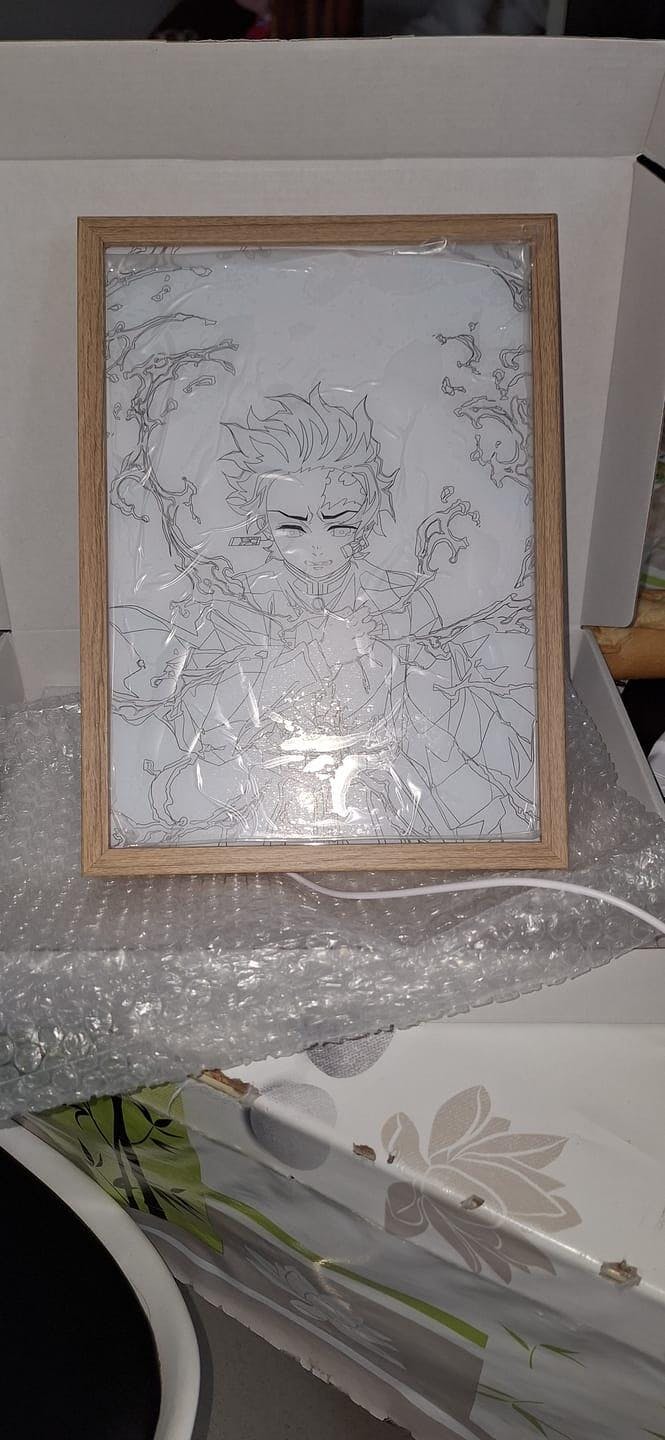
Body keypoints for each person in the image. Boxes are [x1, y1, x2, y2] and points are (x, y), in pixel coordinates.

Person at [111, 388, 536, 844]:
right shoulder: (242, 604)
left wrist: (396, 643)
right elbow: (200, 714)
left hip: (401, 792)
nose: (317, 546)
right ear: (261, 524)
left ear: (366, 516)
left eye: (339, 524)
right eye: (292, 526)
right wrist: (308, 656)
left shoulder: (394, 597)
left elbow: (450, 669)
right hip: (267, 802)